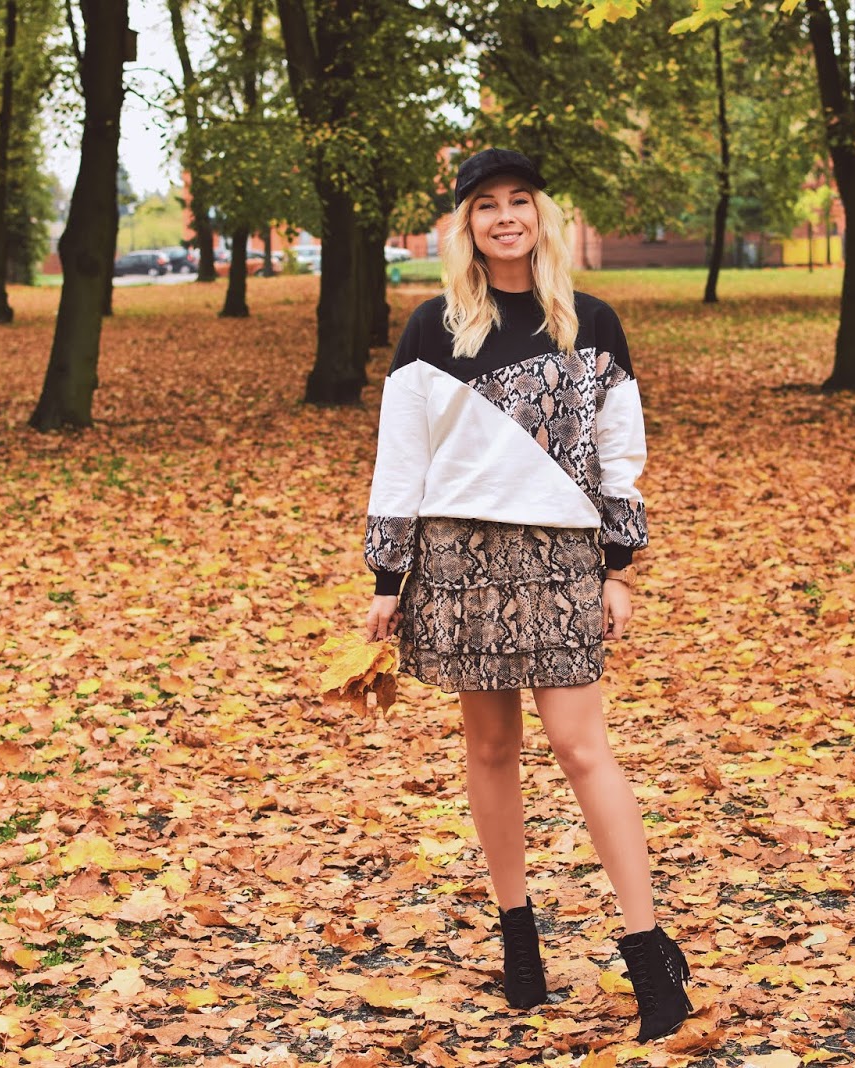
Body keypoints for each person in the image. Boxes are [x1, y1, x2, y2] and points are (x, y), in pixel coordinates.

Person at [362, 148, 691, 1042]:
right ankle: (520, 941)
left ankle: (649, 952)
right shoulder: (433, 330)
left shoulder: (593, 323)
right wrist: (388, 579)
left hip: (560, 557)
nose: (504, 216)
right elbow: (401, 458)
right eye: (485, 205)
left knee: (582, 748)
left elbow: (620, 451)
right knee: (490, 747)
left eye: (519, 201)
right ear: (465, 226)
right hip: (458, 558)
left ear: (542, 216)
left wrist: (618, 566)